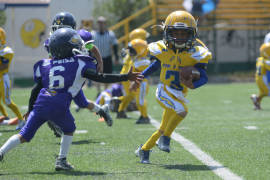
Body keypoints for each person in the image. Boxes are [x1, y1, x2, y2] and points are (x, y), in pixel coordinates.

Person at [0, 28, 143, 171]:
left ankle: (1, 152)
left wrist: (31, 109)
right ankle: (61, 160)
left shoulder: (46, 64)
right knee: (69, 128)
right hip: (59, 103)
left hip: (41, 104)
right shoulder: (79, 63)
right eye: (76, 44)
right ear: (67, 47)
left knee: (23, 135)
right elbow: (100, 77)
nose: (80, 47)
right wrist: (125, 77)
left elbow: (36, 89)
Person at [131, 10, 212, 164]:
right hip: (164, 91)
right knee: (182, 110)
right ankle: (166, 139)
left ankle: (144, 150)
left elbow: (204, 76)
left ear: (192, 34)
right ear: (167, 32)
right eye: (176, 33)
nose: (179, 37)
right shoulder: (162, 50)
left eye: (184, 34)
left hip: (179, 93)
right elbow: (155, 66)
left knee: (162, 127)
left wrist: (194, 83)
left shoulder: (195, 54)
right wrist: (140, 78)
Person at [44, 12, 111, 137]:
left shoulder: (80, 36)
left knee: (64, 98)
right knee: (81, 102)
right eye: (56, 29)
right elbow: (51, 58)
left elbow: (92, 47)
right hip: (64, 73)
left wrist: (100, 61)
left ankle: (60, 124)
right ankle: (102, 110)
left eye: (61, 29)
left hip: (76, 73)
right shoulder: (51, 40)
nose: (58, 32)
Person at [117, 28, 149, 119]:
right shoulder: (137, 50)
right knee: (136, 96)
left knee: (130, 95)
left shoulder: (131, 50)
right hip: (131, 76)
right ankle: (144, 116)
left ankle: (120, 109)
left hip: (127, 75)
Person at [0, 27, 25, 130]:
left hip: (3, 78)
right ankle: (5, 117)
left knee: (7, 101)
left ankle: (21, 120)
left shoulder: (6, 51)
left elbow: (3, 66)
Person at [92, 16, 119, 95]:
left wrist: (116, 57)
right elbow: (89, 46)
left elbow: (115, 45)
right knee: (95, 75)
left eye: (102, 23)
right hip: (96, 58)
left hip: (107, 57)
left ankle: (105, 91)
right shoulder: (93, 34)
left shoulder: (110, 34)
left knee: (107, 74)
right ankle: (98, 91)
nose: (101, 25)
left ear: (105, 24)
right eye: (99, 23)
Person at [250, 43, 270, 110]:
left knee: (263, 92)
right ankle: (256, 100)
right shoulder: (266, 61)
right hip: (263, 79)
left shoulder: (260, 59)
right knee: (268, 92)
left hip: (258, 78)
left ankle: (256, 101)